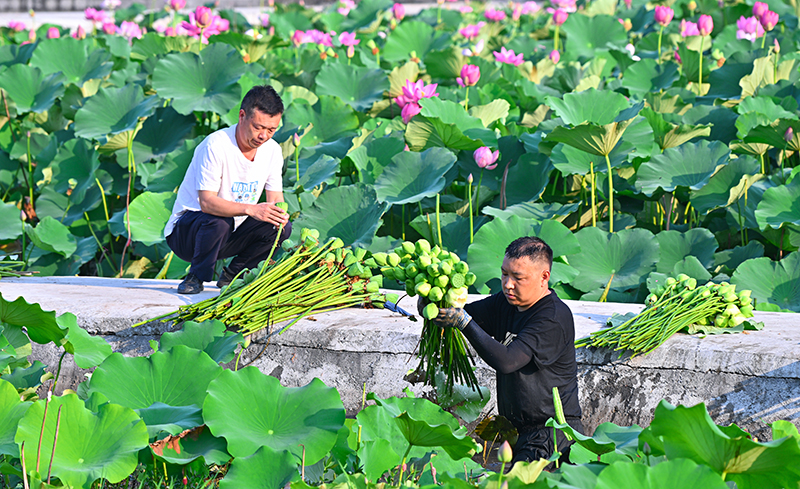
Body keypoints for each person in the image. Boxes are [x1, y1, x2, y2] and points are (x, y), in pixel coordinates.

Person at [429, 236, 582, 465]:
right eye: (504, 274)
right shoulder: (506, 302)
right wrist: (432, 308)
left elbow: (508, 361)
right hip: (516, 433)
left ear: (544, 277)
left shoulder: (553, 318)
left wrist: (463, 323)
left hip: (552, 433)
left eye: (518, 277)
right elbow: (466, 315)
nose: (508, 284)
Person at [163, 85, 291, 294]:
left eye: (271, 130)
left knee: (280, 226)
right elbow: (207, 203)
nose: (263, 136)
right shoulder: (215, 145)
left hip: (230, 233)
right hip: (189, 233)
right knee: (219, 220)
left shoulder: (273, 150)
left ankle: (233, 276)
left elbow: (275, 197)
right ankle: (195, 276)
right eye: (259, 127)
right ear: (242, 116)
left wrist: (278, 215)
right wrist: (252, 209)